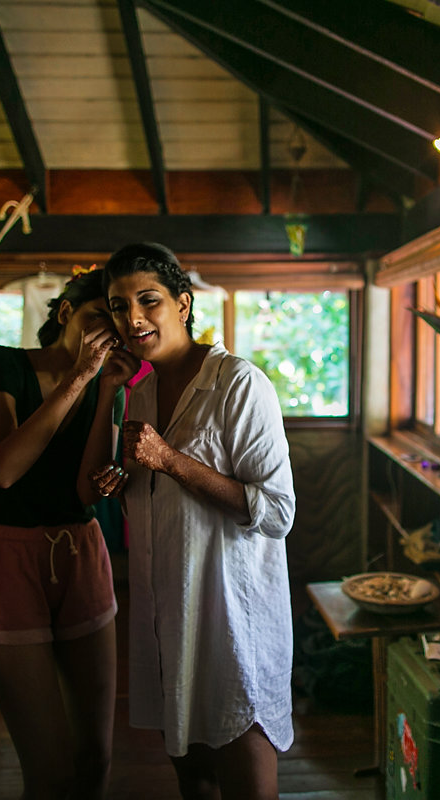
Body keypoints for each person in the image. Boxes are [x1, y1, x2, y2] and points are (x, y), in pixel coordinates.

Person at [94, 243, 296, 800]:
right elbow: (152, 491)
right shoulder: (142, 391)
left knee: (246, 775)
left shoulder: (238, 383)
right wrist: (128, 474)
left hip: (232, 619)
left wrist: (170, 461)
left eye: (148, 300)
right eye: (118, 306)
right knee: (195, 780)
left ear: (183, 304)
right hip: (168, 615)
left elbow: (277, 511)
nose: (132, 318)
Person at [0, 268, 136, 800]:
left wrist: (104, 392)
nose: (110, 329)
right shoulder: (5, 365)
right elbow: (5, 469)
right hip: (6, 557)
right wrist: (79, 377)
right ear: (64, 314)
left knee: (96, 756)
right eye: (97, 315)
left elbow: (85, 491)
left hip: (78, 552)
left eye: (119, 319)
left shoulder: (107, 383)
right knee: (52, 772)